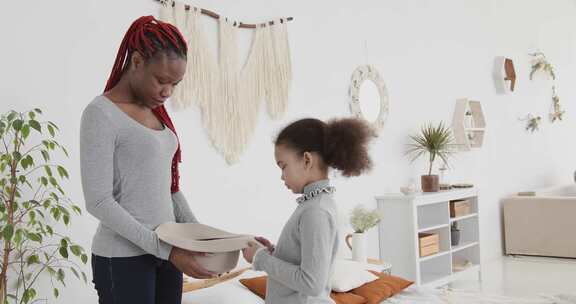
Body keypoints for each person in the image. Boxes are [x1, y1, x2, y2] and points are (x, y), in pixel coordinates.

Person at [80, 16, 214, 304]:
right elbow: (98, 201)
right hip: (123, 258)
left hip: (168, 251)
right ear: (137, 61)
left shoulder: (157, 114)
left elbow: (170, 189)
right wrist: (167, 249)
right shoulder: (100, 114)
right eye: (162, 80)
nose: (167, 92)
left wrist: (199, 235)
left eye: (175, 84)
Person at [242, 118, 375, 304]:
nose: (282, 176)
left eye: (283, 166)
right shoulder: (314, 205)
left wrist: (260, 258)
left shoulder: (316, 211)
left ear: (306, 160)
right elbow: (304, 261)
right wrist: (274, 252)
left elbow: (311, 283)